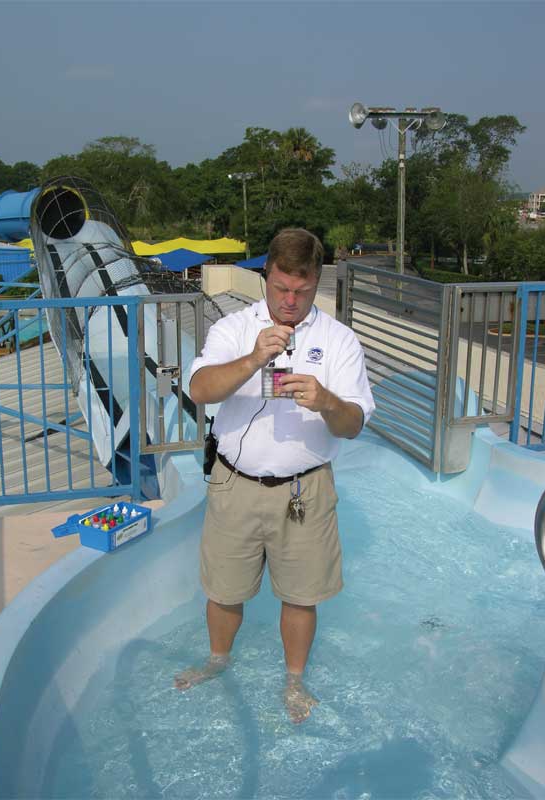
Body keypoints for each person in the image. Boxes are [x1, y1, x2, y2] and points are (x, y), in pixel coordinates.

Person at [174, 228, 375, 723]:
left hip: (305, 487)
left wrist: (327, 400)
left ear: (316, 283)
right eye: (281, 288)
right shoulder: (236, 328)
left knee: (302, 595)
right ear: (266, 277)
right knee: (224, 589)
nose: (289, 301)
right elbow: (199, 388)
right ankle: (218, 660)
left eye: (302, 291)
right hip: (234, 482)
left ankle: (294, 680)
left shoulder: (338, 340)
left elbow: (353, 426)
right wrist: (255, 358)